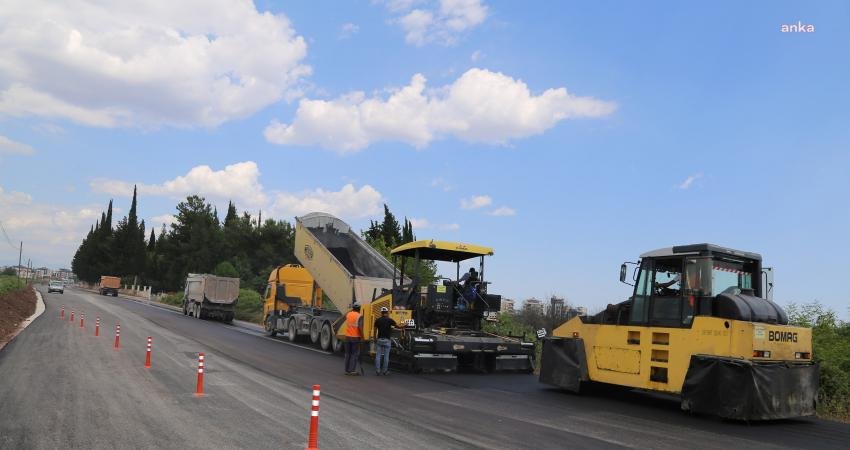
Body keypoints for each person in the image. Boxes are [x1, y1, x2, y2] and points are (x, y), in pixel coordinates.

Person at [372, 306, 403, 375]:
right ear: (387, 313)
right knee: (386, 356)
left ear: (381, 313)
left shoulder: (377, 320)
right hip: (387, 340)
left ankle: (377, 371)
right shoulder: (390, 320)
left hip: (379, 339)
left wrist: (374, 338)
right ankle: (385, 371)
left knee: (378, 356)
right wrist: (404, 325)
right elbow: (398, 326)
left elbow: (375, 330)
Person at [344, 304, 362, 375]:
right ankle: (352, 370)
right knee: (354, 354)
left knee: (347, 354)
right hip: (355, 337)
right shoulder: (359, 316)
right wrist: (362, 336)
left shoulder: (348, 314)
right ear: (359, 309)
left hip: (347, 336)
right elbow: (360, 327)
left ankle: (347, 370)